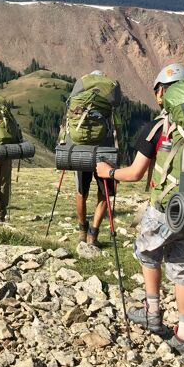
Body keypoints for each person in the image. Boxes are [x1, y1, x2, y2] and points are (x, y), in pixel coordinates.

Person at [95, 62, 184, 358]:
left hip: (166, 206)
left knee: (147, 251)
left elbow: (134, 173)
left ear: (161, 94)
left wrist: (108, 172)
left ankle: (152, 312)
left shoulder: (159, 126)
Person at [69, 70, 118, 247]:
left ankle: (82, 230)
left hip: (81, 148)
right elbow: (116, 126)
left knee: (81, 191)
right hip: (104, 150)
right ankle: (93, 234)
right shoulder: (109, 97)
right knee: (104, 194)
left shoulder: (79, 94)